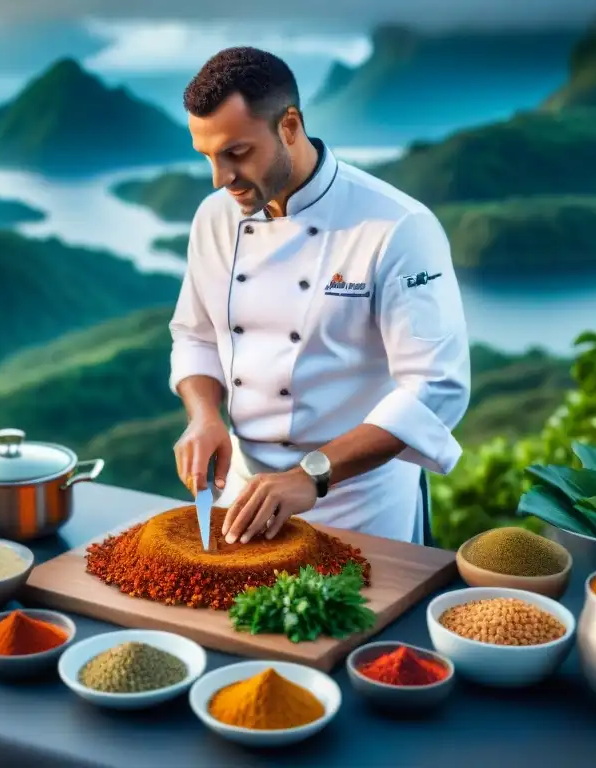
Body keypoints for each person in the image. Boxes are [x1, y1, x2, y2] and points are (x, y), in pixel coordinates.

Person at [170, 47, 470, 546]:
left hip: (361, 503)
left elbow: (436, 388)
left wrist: (312, 475)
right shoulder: (213, 217)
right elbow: (195, 336)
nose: (220, 178)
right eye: (208, 157)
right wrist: (203, 416)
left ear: (289, 126)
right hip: (245, 496)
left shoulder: (399, 226)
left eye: (236, 153)